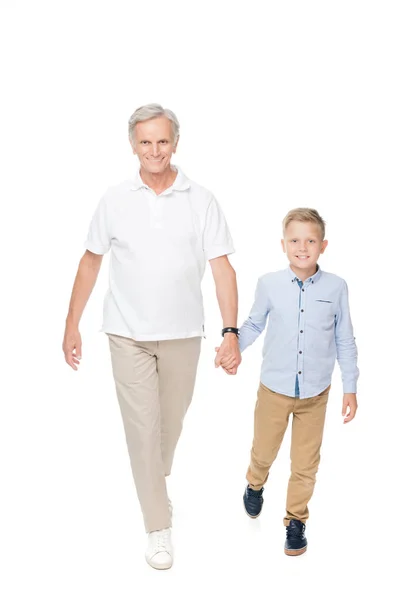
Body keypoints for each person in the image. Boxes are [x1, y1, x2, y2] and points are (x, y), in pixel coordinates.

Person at [62, 103, 241, 569]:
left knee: (170, 427)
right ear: (132, 146)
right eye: (145, 142)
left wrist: (230, 332)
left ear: (175, 143)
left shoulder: (201, 199)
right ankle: (158, 528)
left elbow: (222, 269)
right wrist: (71, 324)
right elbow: (90, 262)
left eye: (162, 141)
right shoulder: (115, 198)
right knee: (142, 433)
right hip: (127, 333)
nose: (154, 150)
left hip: (184, 333)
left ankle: (153, 486)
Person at [235, 208, 359, 555]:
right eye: (294, 240)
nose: (302, 247)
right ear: (283, 244)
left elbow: (345, 339)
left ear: (323, 245)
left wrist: (350, 387)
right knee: (263, 451)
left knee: (306, 464)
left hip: (316, 395)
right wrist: (234, 347)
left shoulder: (336, 288)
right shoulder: (269, 284)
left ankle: (296, 521)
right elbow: (254, 324)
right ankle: (255, 484)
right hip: (274, 389)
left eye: (310, 240)